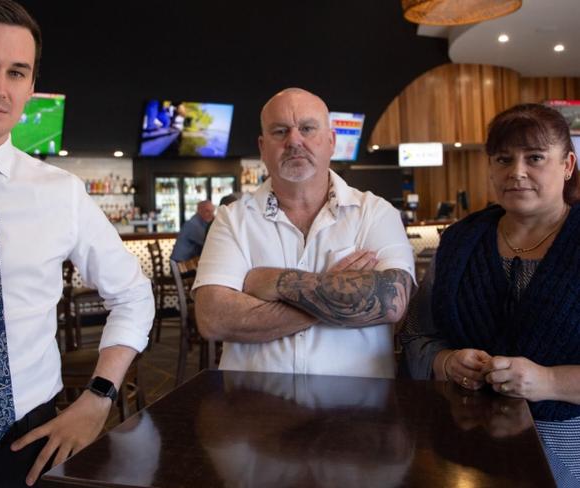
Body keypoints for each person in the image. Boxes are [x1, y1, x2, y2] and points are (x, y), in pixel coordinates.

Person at [0, 1, 153, 486]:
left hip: (34, 438)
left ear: (31, 87)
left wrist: (99, 397)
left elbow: (134, 295)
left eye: (17, 73)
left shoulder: (60, 192)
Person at [401, 103, 580, 487]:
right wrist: (446, 361)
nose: (517, 172)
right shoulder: (460, 242)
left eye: (535, 157)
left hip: (568, 453)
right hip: (463, 448)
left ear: (567, 165)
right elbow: (417, 334)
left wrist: (548, 381)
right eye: (503, 159)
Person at [193, 87, 415, 378]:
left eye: (307, 128)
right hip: (252, 411)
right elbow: (213, 318)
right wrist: (338, 290)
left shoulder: (376, 212)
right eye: (280, 131)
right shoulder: (232, 219)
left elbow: (390, 302)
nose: (294, 140)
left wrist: (272, 282)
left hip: (359, 409)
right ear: (263, 147)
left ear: (331, 141)